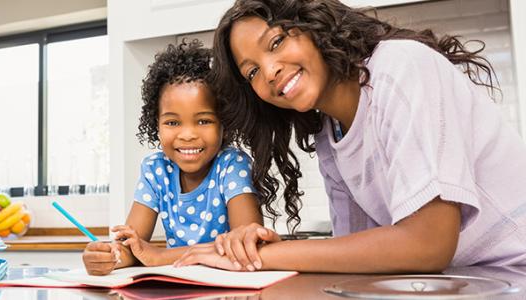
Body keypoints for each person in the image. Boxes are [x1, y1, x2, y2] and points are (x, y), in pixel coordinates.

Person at [174, 0, 526, 273]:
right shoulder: (330, 134)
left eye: (277, 41)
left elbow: (428, 244)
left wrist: (265, 256)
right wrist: (266, 248)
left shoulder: (400, 68)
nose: (269, 72)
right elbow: (356, 252)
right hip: (468, 281)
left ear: (312, 25)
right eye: (251, 71)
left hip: (513, 273)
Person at [82, 40, 262, 275]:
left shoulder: (231, 165)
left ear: (224, 125)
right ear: (156, 125)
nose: (187, 135)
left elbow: (246, 245)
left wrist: (160, 256)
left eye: (204, 121)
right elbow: (132, 249)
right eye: (172, 122)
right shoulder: (156, 169)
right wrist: (110, 256)